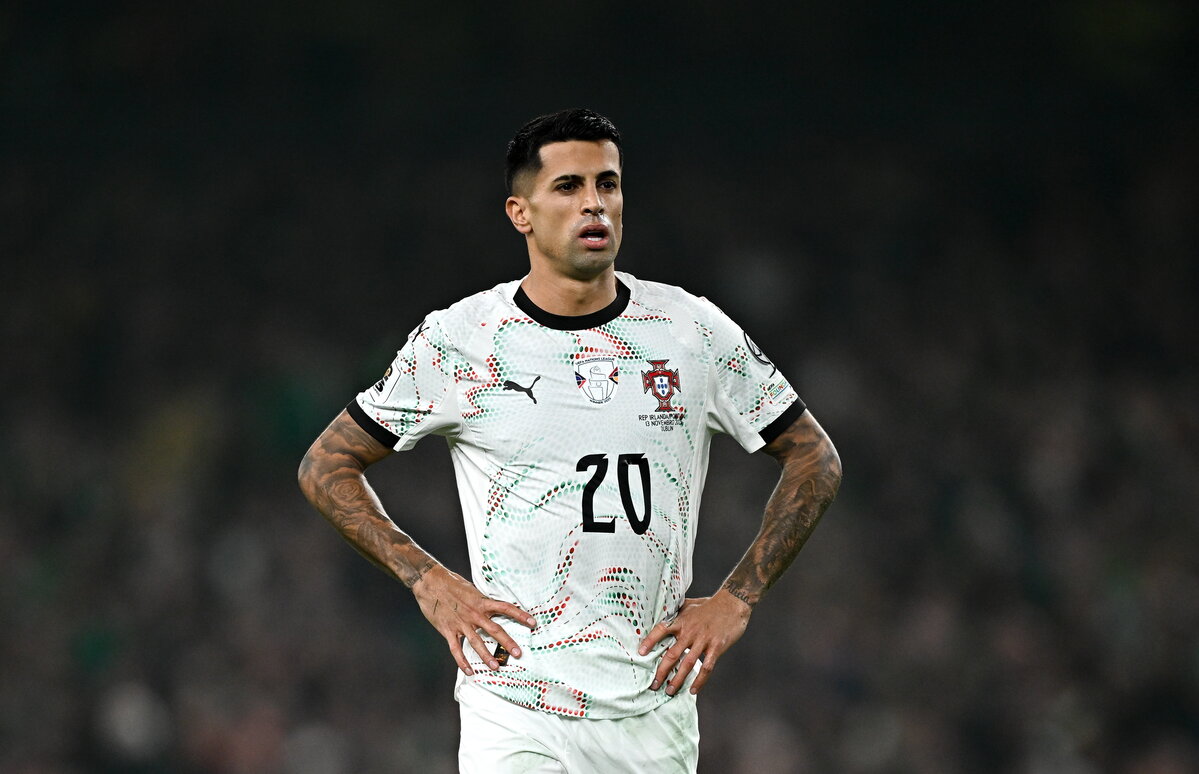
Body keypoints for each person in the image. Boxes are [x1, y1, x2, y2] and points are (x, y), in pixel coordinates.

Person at [297, 108, 842, 772]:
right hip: (513, 703)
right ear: (520, 213)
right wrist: (427, 579)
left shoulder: (689, 330)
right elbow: (326, 465)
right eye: (568, 186)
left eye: (607, 184)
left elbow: (815, 457)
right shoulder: (462, 339)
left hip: (649, 710)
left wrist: (738, 598)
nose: (594, 203)